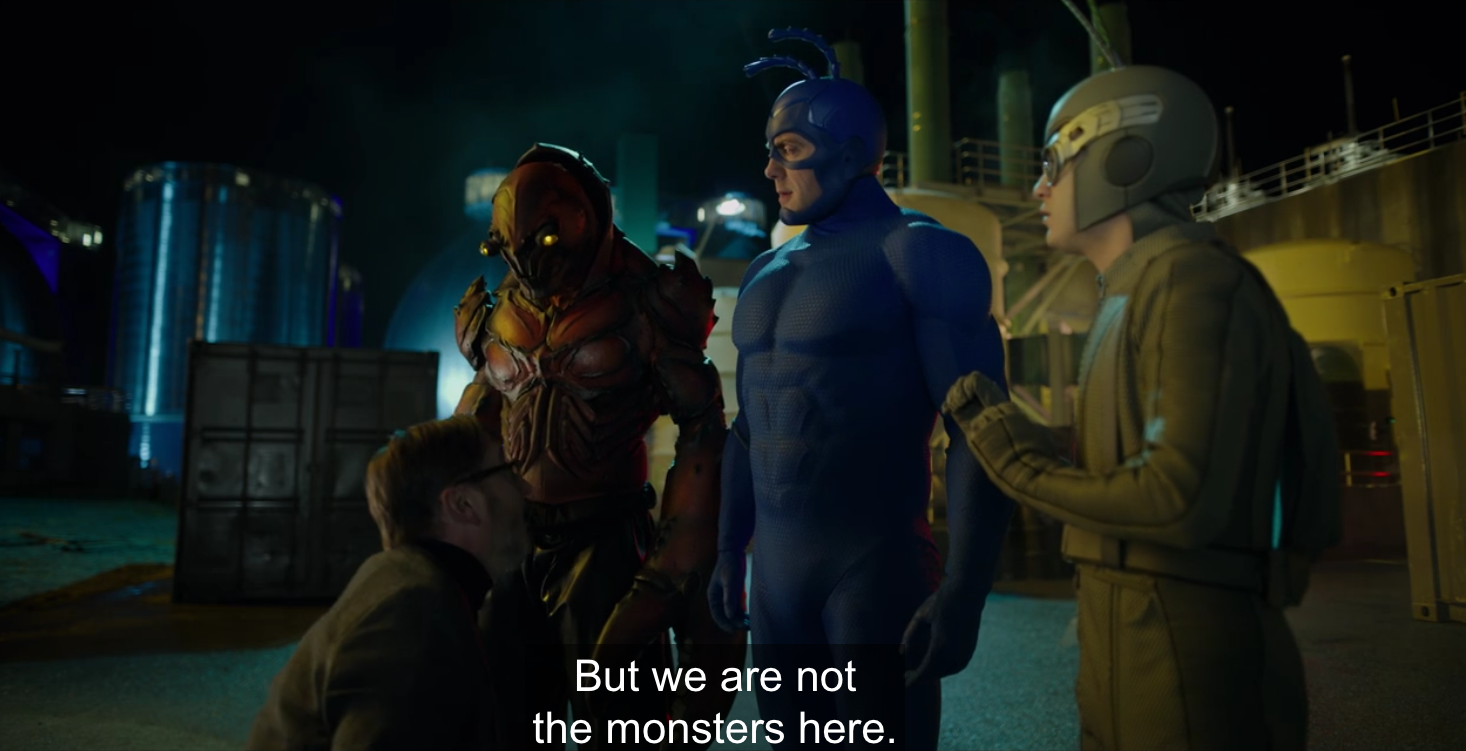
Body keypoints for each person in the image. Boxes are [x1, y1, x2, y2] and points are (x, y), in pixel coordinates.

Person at [942, 62, 1342, 750]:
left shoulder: (1191, 281)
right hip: (1129, 633)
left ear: (1125, 156)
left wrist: (1022, 467)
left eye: (1054, 164)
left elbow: (1177, 498)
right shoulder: (1137, 289)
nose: (1038, 188)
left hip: (1182, 645)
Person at [707, 28, 1015, 751]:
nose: (769, 169)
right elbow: (749, 428)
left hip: (873, 569)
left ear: (849, 154)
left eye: (789, 149)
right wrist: (727, 548)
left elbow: (981, 433)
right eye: (770, 149)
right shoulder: (764, 272)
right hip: (775, 577)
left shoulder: (921, 252)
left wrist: (965, 591)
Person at [455, 143, 744, 750]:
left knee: (617, 717)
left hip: (607, 538)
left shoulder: (648, 301)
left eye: (543, 243)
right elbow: (476, 417)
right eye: (511, 249)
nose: (530, 268)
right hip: (513, 540)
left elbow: (702, 428)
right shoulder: (503, 308)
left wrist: (680, 562)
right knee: (501, 712)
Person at [245, 415, 530, 751]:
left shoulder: (416, 583)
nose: (525, 488)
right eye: (509, 471)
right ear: (463, 504)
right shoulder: (412, 612)